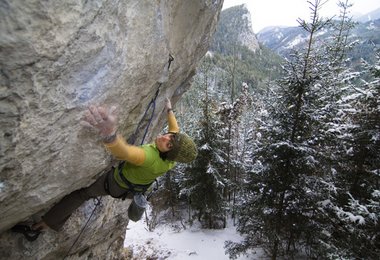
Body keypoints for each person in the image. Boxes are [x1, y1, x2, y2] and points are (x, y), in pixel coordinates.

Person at [13, 98, 197, 238]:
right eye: (170, 137)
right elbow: (175, 128)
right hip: (135, 187)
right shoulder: (173, 156)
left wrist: (109, 134)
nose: (165, 138)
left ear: (169, 154)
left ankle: (40, 226)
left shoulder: (149, 158)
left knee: (82, 194)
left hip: (116, 185)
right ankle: (50, 222)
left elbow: (124, 152)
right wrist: (169, 109)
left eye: (169, 144)